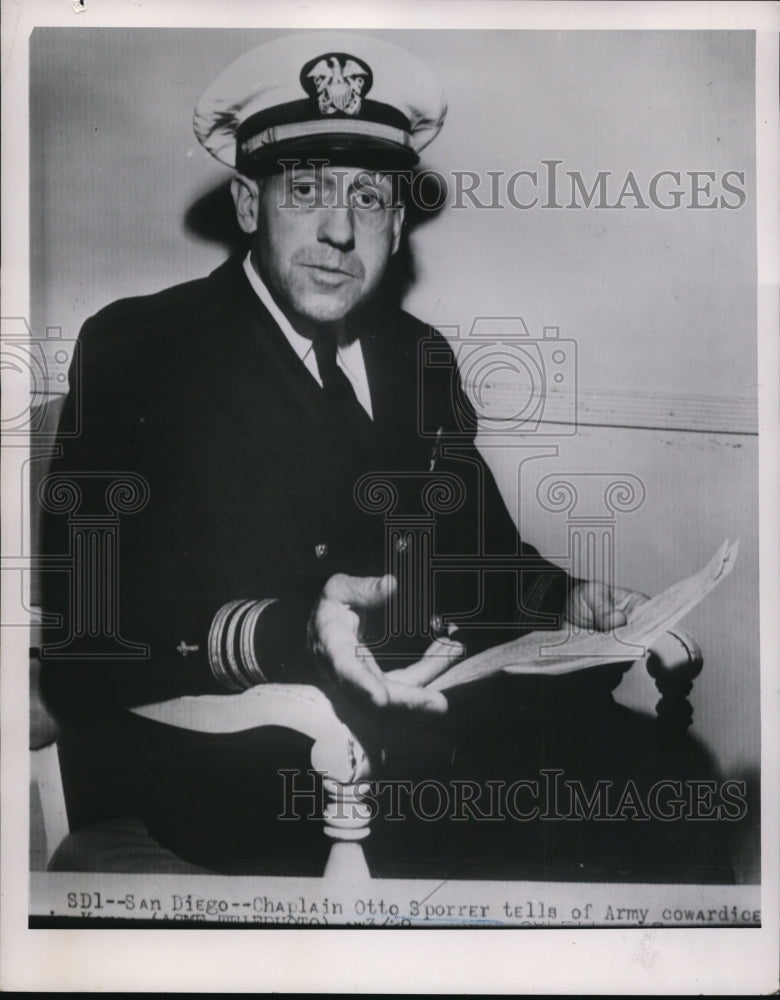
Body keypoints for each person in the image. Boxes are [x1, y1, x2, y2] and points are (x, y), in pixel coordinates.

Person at [39, 32, 732, 882]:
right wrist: (295, 632)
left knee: (669, 799)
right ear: (250, 204)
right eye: (306, 190)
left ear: (398, 226)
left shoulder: (417, 356)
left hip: (441, 734)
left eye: (369, 198)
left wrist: (575, 597)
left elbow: (483, 557)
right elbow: (91, 629)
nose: (339, 229)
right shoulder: (144, 347)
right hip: (265, 765)